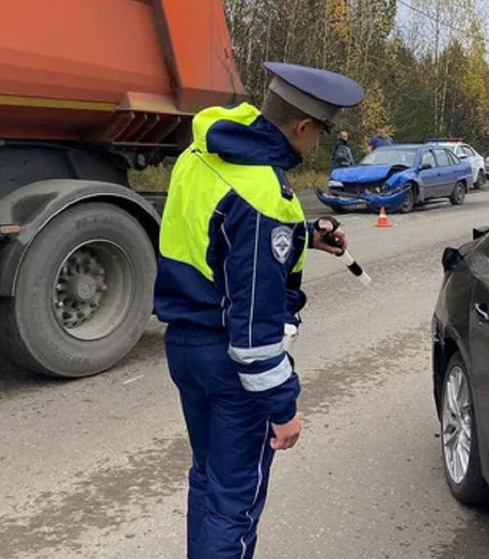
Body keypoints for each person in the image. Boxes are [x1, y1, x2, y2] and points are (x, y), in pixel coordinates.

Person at [155, 61, 364, 559]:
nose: (319, 144)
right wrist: (283, 407)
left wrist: (304, 237)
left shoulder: (202, 152)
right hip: (230, 366)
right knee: (236, 507)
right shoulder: (263, 193)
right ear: (302, 127)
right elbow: (254, 332)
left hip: (185, 345)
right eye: (321, 133)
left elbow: (217, 240)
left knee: (208, 482)